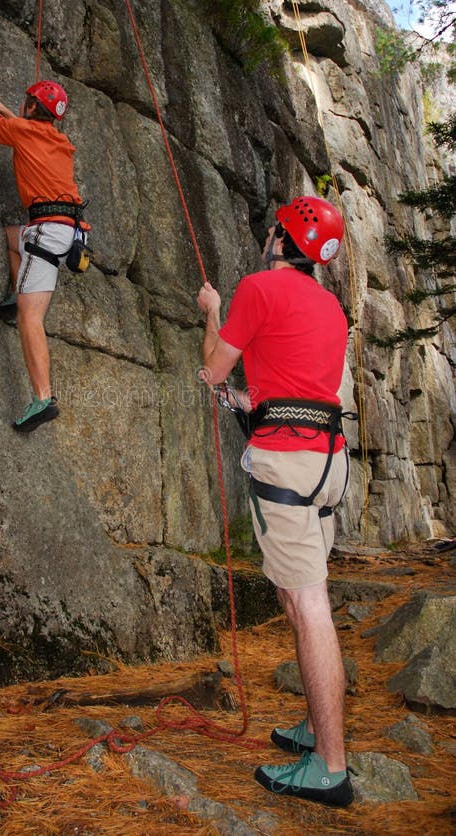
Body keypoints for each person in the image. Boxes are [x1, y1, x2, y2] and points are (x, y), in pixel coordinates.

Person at [197, 195, 354, 808]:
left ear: (283, 241)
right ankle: (319, 726)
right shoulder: (333, 309)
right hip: (327, 460)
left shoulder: (259, 288)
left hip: (288, 459)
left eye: (273, 231)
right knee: (299, 597)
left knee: (307, 602)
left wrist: (213, 311)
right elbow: (298, 384)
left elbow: (213, 369)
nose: (267, 237)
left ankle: (331, 767)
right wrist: (248, 402)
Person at [0, 79, 87, 433]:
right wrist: (3, 107)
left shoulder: (22, 129)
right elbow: (24, 128)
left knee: (31, 318)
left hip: (46, 231)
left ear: (33, 108)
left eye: (27, 102)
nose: (22, 106)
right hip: (67, 231)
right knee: (6, 238)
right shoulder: (59, 140)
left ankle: (42, 399)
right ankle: (15, 296)